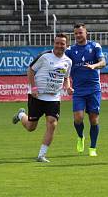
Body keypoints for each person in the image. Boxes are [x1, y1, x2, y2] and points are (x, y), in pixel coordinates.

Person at [12, 33, 72, 163]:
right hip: (37, 96)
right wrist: (33, 88)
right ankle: (22, 115)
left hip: (54, 98)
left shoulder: (68, 61)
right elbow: (30, 70)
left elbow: (66, 77)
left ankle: (41, 155)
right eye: (57, 43)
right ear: (54, 43)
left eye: (62, 43)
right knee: (31, 127)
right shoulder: (44, 56)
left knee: (52, 123)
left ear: (67, 45)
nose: (59, 46)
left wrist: (68, 87)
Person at [65, 23, 106, 157]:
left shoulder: (94, 46)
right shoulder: (70, 50)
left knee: (93, 119)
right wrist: (67, 85)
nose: (78, 35)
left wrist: (94, 66)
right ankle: (80, 136)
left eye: (80, 33)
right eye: (76, 33)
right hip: (78, 90)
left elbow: (103, 62)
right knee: (78, 118)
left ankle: (93, 147)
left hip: (94, 89)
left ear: (86, 33)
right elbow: (64, 70)